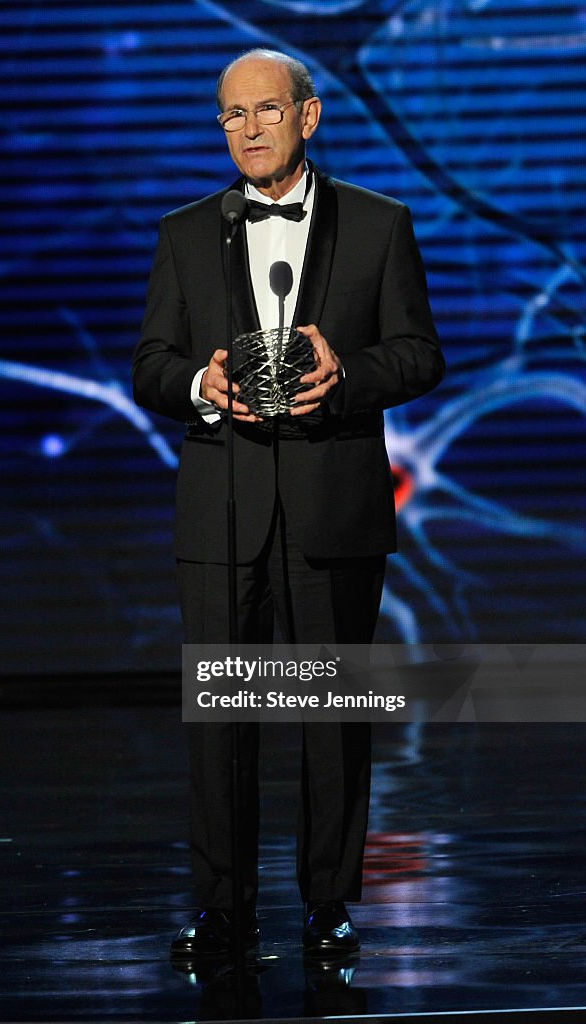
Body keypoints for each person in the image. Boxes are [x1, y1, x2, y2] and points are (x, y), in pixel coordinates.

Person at [132, 48, 444, 960]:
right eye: (231, 115)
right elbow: (150, 363)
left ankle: (327, 903)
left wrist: (347, 377)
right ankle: (224, 907)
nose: (248, 130)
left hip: (331, 509)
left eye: (266, 111)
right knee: (220, 725)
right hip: (220, 514)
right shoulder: (185, 233)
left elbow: (419, 353)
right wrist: (199, 381)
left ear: (308, 117)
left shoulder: (381, 225)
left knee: (329, 723)